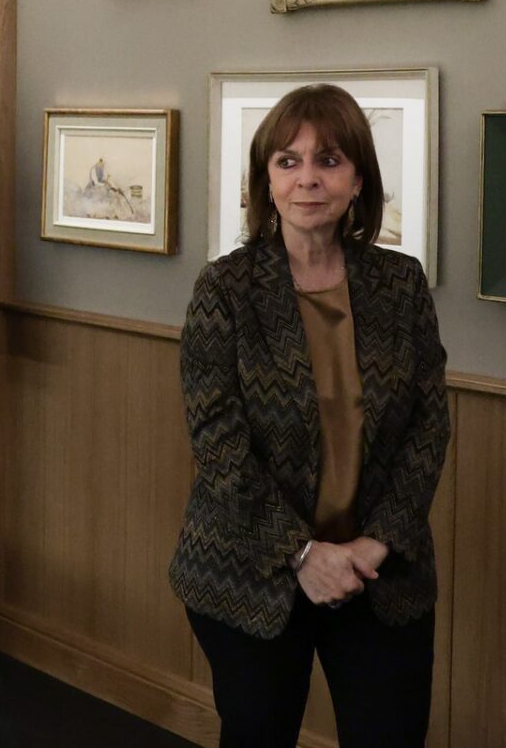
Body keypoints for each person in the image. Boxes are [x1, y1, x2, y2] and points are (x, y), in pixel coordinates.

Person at [169, 84, 449, 748]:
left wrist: (376, 543)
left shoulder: (401, 283)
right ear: (266, 181)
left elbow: (428, 427)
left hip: (378, 571)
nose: (308, 179)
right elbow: (218, 444)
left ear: (359, 179)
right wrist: (300, 553)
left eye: (329, 160)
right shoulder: (225, 288)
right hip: (252, 569)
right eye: (288, 161)